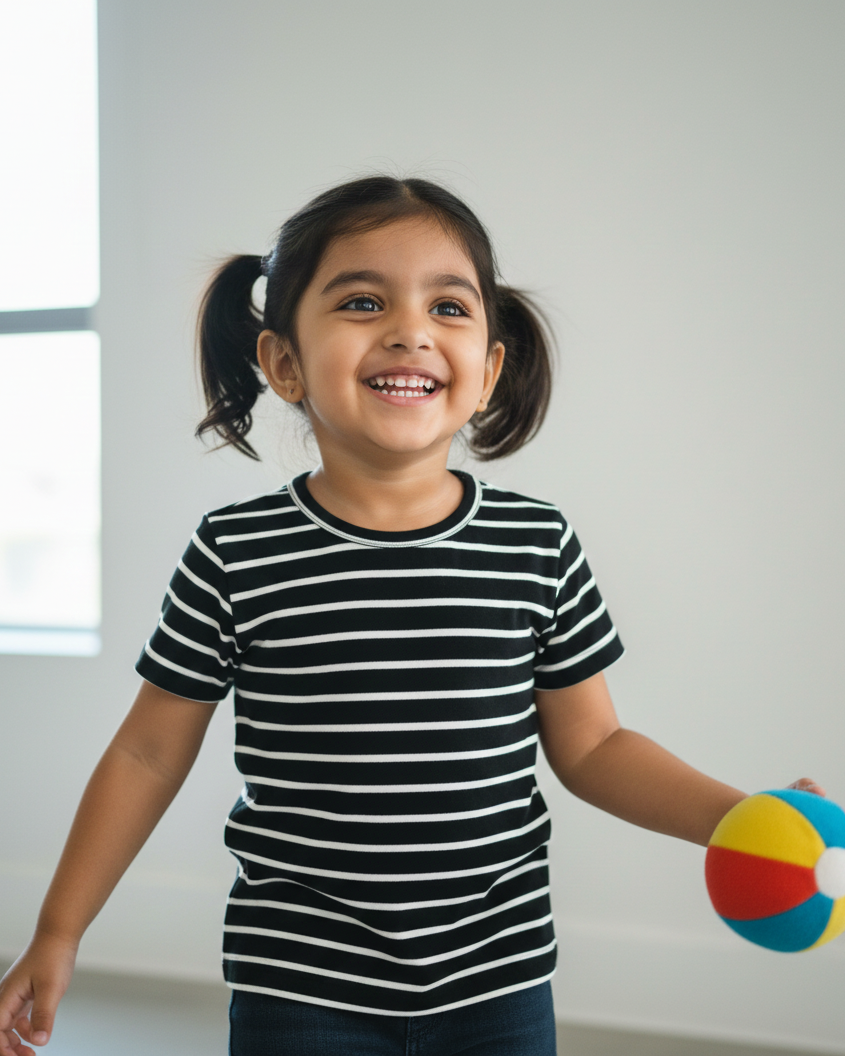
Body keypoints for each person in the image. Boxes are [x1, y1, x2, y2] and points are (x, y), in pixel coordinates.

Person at [0, 176, 823, 1056]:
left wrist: (738, 817)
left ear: (488, 369)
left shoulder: (535, 544)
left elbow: (592, 746)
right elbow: (147, 750)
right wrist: (58, 931)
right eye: (361, 300)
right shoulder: (237, 551)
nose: (409, 329)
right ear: (283, 363)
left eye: (448, 305)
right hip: (300, 984)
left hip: (497, 981)